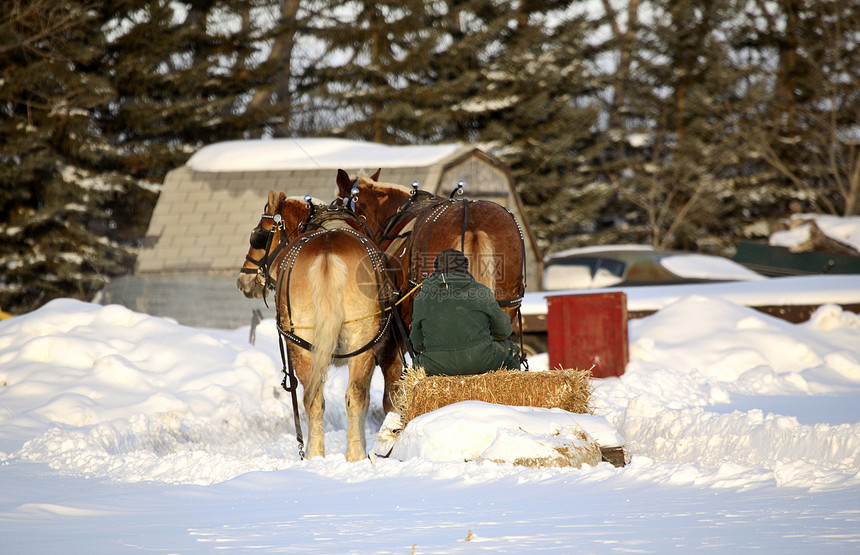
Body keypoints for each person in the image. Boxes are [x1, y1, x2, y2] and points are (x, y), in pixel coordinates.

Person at [410, 249, 521, 376]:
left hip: (435, 366)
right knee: (512, 353)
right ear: (465, 268)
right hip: (481, 360)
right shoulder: (480, 291)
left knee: (415, 366)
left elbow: (417, 343)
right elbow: (504, 331)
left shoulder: (421, 298)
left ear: (436, 270)